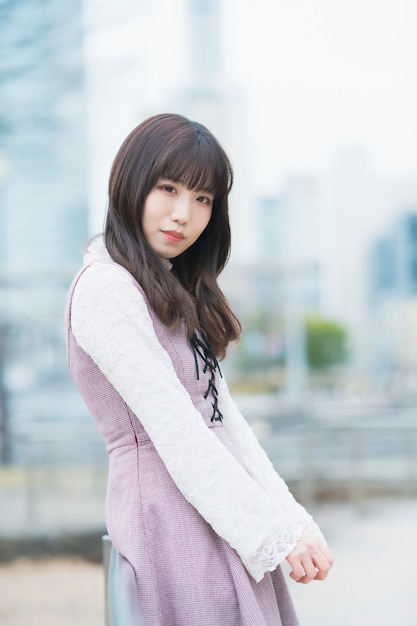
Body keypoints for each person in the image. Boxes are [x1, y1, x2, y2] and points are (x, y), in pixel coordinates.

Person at [65, 113, 333, 626]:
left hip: (221, 518)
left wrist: (292, 522)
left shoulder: (167, 289)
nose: (184, 214)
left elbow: (225, 423)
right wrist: (271, 531)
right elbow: (177, 431)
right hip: (170, 529)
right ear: (131, 182)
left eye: (204, 199)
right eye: (168, 188)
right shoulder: (106, 288)